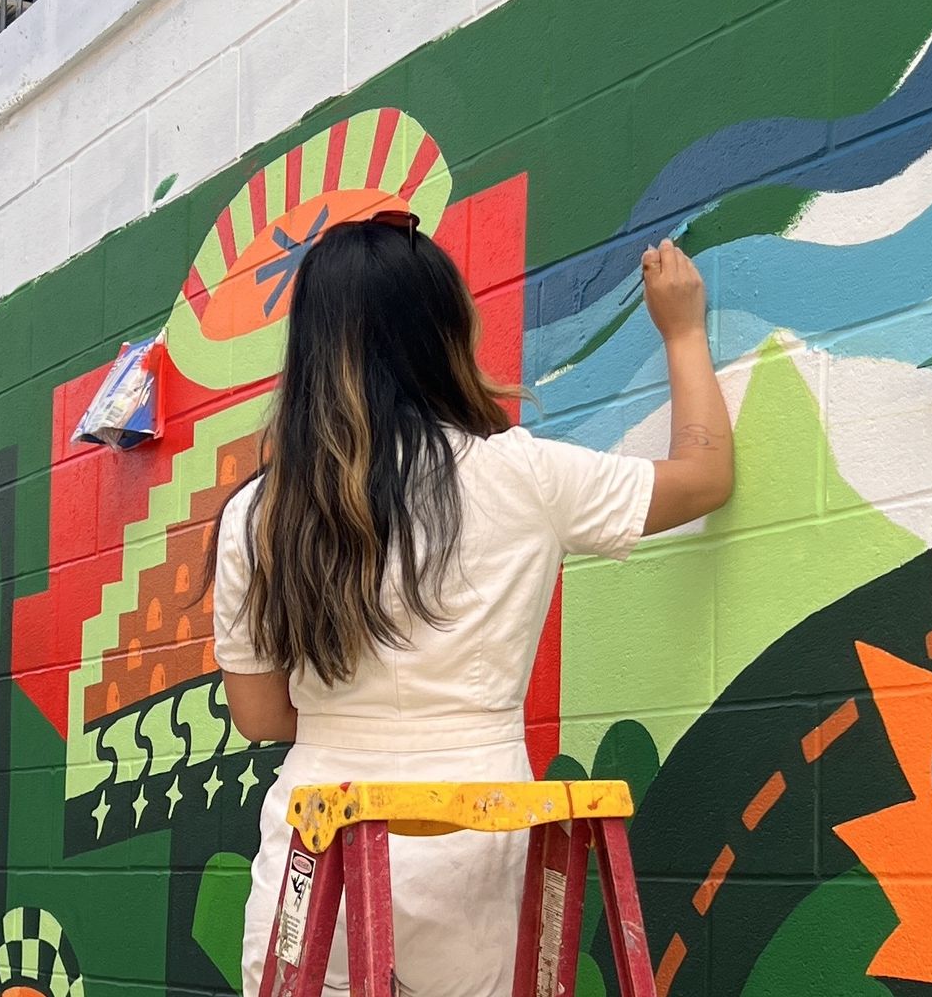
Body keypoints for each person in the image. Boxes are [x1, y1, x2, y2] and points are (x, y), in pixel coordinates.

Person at [210, 210, 734, 995]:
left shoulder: (261, 512)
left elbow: (256, 716)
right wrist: (684, 332)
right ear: (445, 334)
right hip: (475, 823)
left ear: (310, 351)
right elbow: (704, 478)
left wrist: (349, 704)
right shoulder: (520, 475)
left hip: (317, 840)